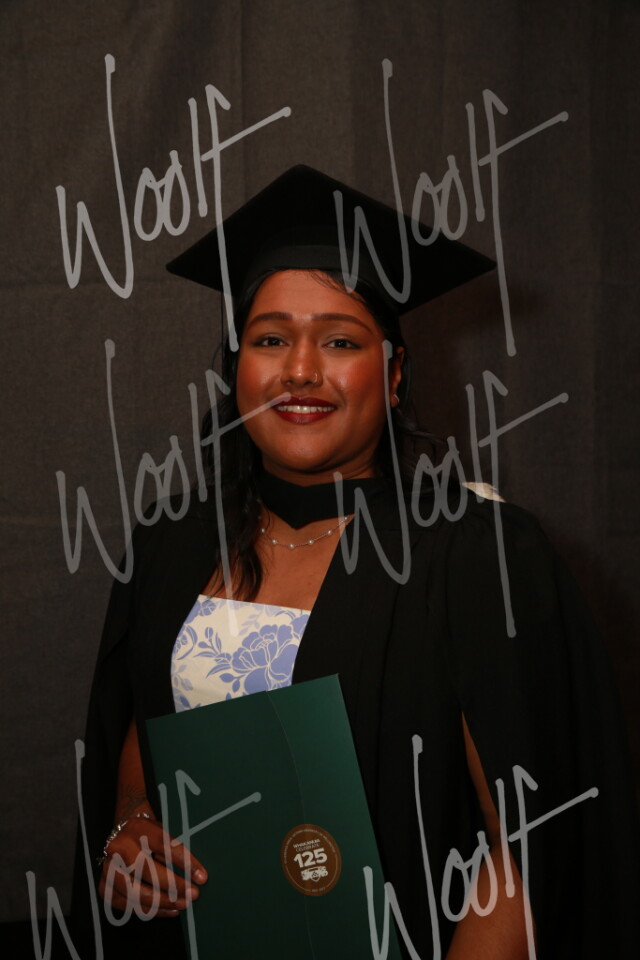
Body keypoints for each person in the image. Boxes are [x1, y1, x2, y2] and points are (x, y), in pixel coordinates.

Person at [72, 166, 639, 959]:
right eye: (270, 339)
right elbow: (147, 717)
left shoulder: (472, 553)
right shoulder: (172, 543)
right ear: (235, 369)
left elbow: (524, 847)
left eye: (340, 341)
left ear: (394, 372)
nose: (300, 370)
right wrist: (131, 823)